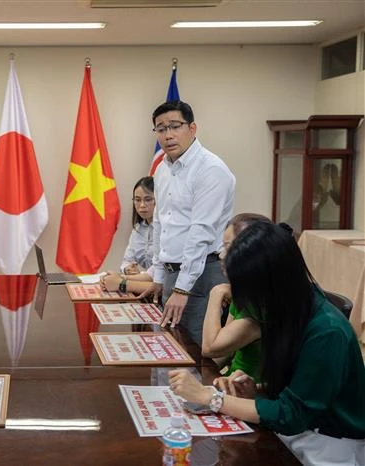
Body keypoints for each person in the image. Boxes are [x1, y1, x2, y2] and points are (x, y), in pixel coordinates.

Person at [169, 222, 365, 466]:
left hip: (329, 442)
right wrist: (257, 389)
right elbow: (299, 387)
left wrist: (209, 397)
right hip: (301, 430)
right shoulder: (286, 309)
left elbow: (292, 415)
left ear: (269, 285)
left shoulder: (327, 332)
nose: (241, 299)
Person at [142, 100, 235, 346]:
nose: (168, 135)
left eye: (175, 126)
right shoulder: (162, 168)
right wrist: (159, 277)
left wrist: (182, 290)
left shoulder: (211, 169)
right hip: (173, 273)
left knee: (194, 353)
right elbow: (161, 224)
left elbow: (200, 233)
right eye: (161, 129)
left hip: (202, 274)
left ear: (192, 128)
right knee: (167, 348)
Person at [201, 213, 272, 381]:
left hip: (249, 393)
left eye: (229, 248)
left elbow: (210, 347)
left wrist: (216, 293)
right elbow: (224, 352)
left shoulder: (261, 303)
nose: (221, 255)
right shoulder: (244, 289)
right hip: (229, 380)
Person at [101, 176, 156, 294]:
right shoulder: (138, 229)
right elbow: (126, 261)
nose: (142, 205)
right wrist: (127, 270)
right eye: (137, 199)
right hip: (141, 288)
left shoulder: (165, 230)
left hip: (161, 289)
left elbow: (155, 273)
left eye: (148, 199)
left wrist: (119, 279)